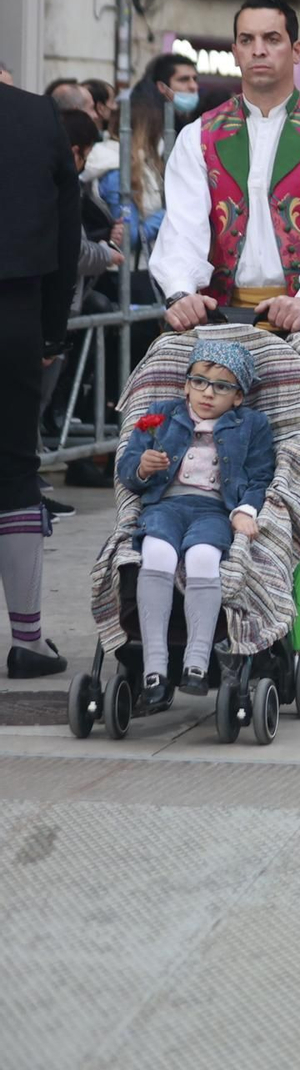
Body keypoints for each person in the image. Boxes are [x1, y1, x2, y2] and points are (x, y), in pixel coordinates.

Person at [151, 0, 300, 652]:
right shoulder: (201, 134)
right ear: (236, 48)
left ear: (295, 51)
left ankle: (293, 629)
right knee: (211, 469)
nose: (259, 50)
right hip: (223, 326)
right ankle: (211, 621)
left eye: (272, 38)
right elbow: (183, 225)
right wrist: (180, 289)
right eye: (247, 39)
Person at [116, 339, 275, 703]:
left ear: (238, 397)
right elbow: (127, 468)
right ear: (186, 384)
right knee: (156, 555)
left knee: (204, 557)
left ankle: (197, 664)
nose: (207, 393)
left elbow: (260, 475)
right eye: (199, 382)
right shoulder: (162, 414)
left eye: (222, 387)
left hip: (213, 510)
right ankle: (154, 667)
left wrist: (245, 511)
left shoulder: (252, 425)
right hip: (165, 506)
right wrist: (143, 467)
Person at [1, 80, 82, 678]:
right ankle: (27, 640)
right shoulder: (36, 115)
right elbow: (66, 233)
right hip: (15, 311)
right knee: (15, 466)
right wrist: (52, 330)